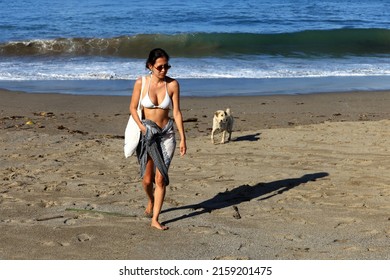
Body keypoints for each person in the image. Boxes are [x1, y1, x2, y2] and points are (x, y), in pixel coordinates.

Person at [129, 48, 187, 230]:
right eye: (160, 67)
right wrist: (141, 127)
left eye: (167, 67)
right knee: (147, 181)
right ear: (150, 66)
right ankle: (151, 199)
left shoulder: (173, 85)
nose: (164, 70)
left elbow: (176, 112)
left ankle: (155, 219)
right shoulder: (141, 83)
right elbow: (132, 108)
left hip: (167, 134)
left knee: (160, 179)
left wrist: (183, 138)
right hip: (148, 135)